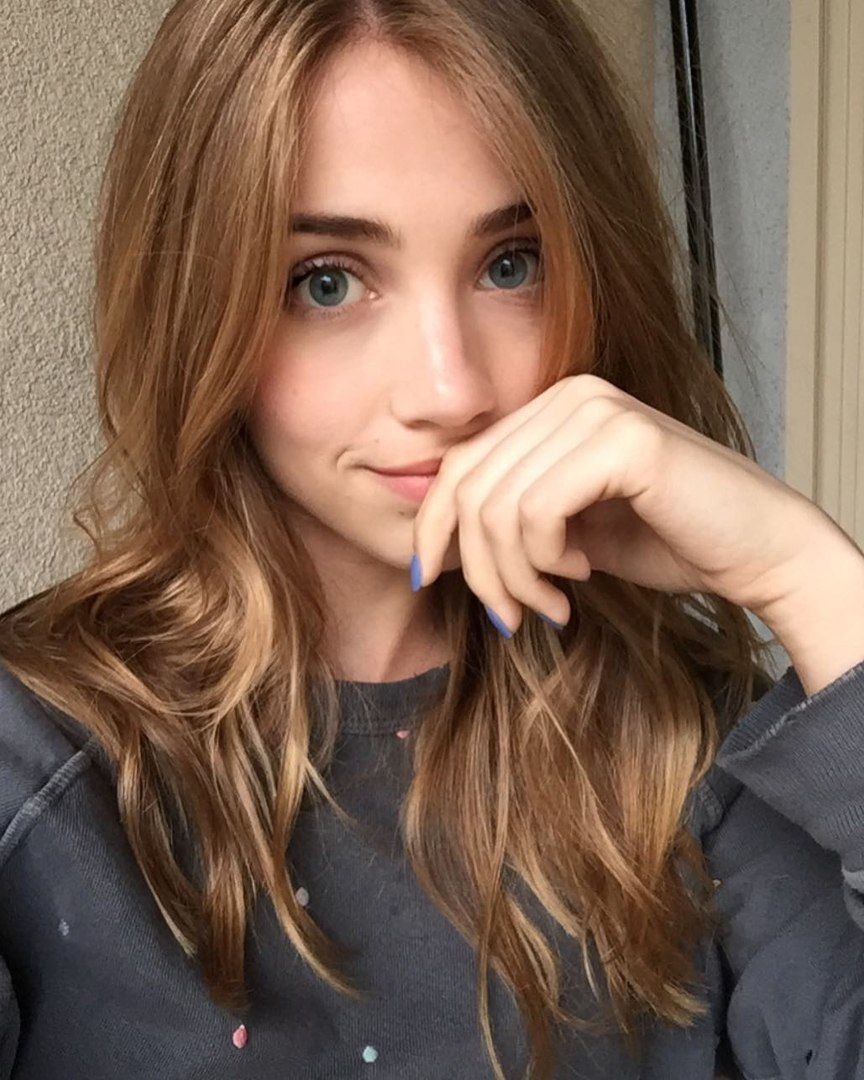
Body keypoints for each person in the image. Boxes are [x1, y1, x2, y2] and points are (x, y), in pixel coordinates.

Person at [1, 1, 863, 1077]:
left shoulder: (682, 746)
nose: (451, 391)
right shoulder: (36, 767)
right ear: (195, 308)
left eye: (511, 264)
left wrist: (811, 575)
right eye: (326, 281)